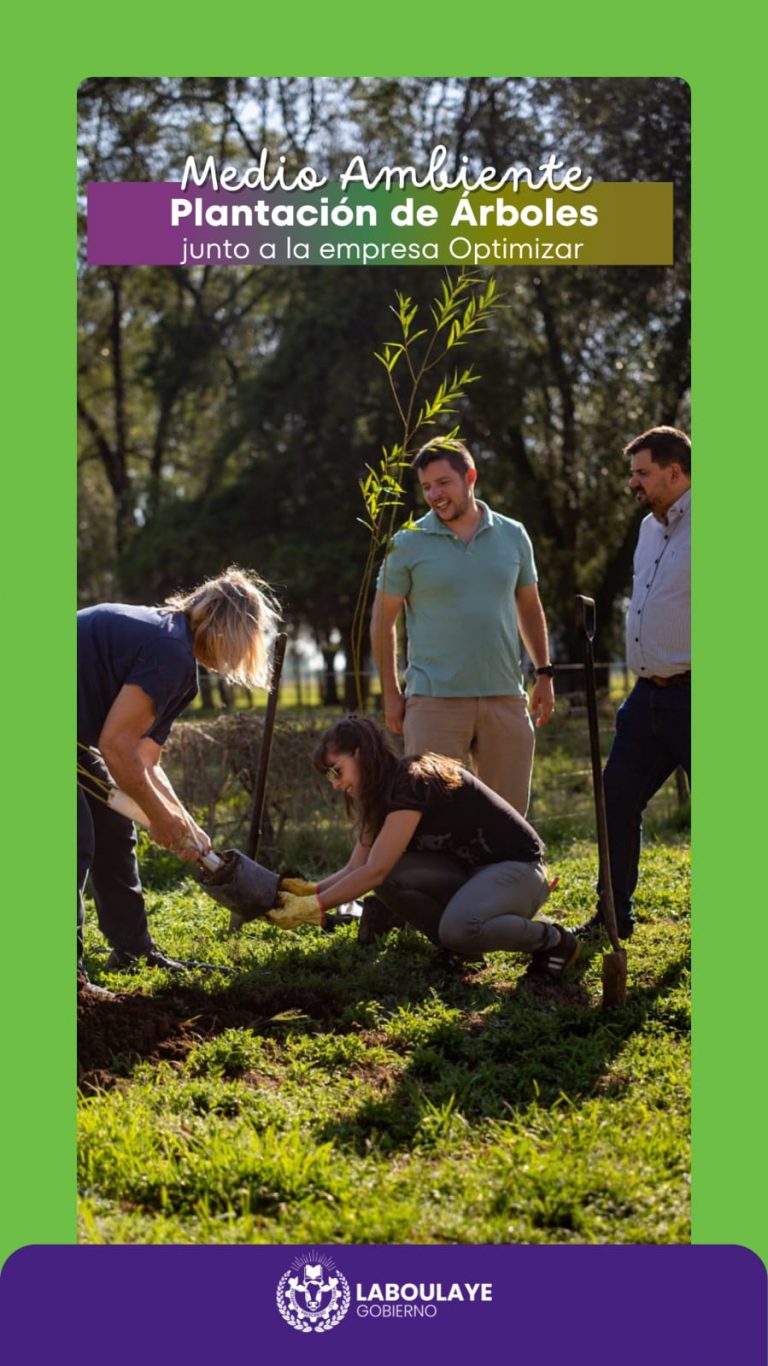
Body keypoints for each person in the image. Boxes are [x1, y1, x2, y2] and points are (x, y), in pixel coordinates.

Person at [77, 566, 279, 987]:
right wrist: (160, 816)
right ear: (227, 630)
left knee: (113, 829)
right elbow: (116, 748)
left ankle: (133, 951)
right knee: (74, 837)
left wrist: (183, 823)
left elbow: (145, 760)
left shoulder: (175, 653)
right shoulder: (168, 650)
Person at [271, 716, 580, 982]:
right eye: (328, 777)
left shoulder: (412, 780)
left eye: (336, 770)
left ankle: (553, 940)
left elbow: (373, 870)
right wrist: (308, 893)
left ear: (360, 754)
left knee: (452, 923)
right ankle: (461, 952)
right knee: (392, 877)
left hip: (519, 871)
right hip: (473, 877)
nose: (335, 784)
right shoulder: (378, 798)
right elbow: (356, 868)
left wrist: (315, 907)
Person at [370, 438, 554, 817]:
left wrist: (544, 672)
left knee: (508, 818)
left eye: (444, 483)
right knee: (433, 817)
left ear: (470, 477)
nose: (435, 494)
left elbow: (530, 607)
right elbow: (382, 622)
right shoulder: (407, 543)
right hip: (434, 701)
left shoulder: (513, 535)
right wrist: (392, 693)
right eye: (426, 487)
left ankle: (510, 878)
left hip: (505, 696)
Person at [579, 426, 691, 941]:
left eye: (642, 473)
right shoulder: (649, 530)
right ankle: (612, 915)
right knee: (616, 799)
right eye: (632, 474)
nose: (633, 483)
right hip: (647, 697)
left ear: (675, 470)